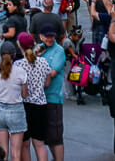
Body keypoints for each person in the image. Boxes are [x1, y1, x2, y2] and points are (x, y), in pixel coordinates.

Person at [0, 35, 29, 161]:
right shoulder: (21, 72)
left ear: (0, 55)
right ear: (14, 55)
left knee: (3, 151)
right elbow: (24, 94)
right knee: (16, 152)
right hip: (16, 110)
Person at [38, 28, 68, 160]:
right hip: (39, 99)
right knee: (46, 137)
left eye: (52, 36)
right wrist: (37, 55)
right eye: (47, 36)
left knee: (56, 137)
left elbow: (53, 72)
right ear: (41, 37)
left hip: (53, 98)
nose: (50, 39)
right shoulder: (38, 49)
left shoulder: (59, 50)